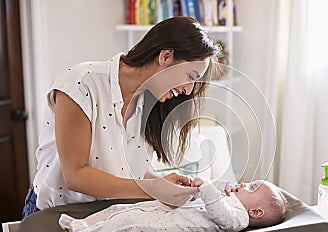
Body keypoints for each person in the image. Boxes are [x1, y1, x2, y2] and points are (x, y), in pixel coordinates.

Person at [23, 16, 221, 218]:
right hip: (53, 214)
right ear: (166, 56)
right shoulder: (80, 84)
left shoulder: (149, 106)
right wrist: (152, 189)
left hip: (104, 217)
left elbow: (128, 173)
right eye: (190, 77)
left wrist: (163, 184)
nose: (189, 90)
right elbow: (75, 176)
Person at [59, 179, 287, 232]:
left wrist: (209, 189)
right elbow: (212, 202)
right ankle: (85, 223)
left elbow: (222, 216)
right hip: (168, 214)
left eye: (252, 188)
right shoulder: (233, 203)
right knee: (123, 209)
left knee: (129, 221)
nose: (245, 184)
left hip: (165, 228)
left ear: (256, 212)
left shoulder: (240, 218)